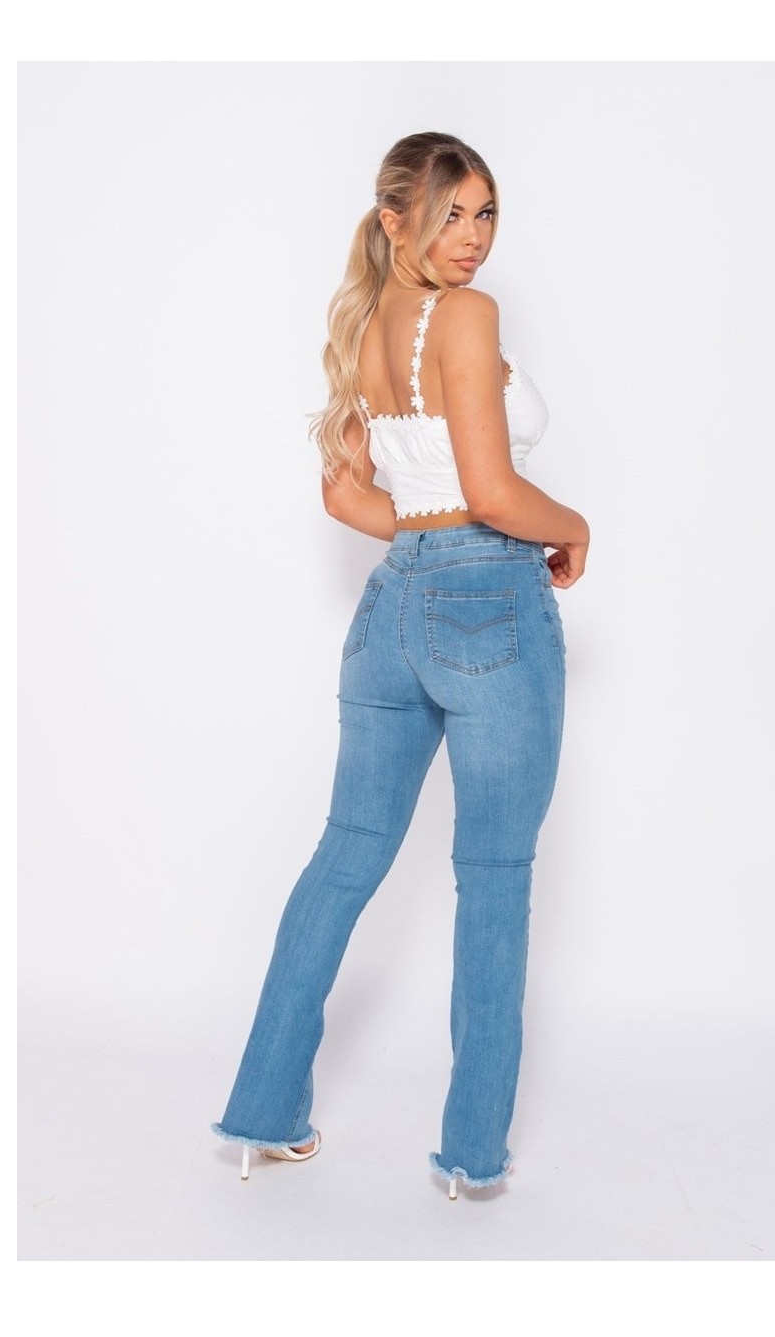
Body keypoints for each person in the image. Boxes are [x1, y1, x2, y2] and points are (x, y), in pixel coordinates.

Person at [210, 131, 589, 1199]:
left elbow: (350, 500)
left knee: (343, 858)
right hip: (489, 602)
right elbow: (495, 491)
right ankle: (472, 1155)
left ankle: (262, 1114)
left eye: (486, 213)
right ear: (394, 220)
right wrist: (574, 526)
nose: (472, 237)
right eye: (449, 213)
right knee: (496, 875)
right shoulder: (465, 317)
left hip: (392, 609)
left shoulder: (364, 323)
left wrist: (430, 542)